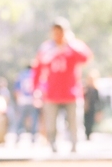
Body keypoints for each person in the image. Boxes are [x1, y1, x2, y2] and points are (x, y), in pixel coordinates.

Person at [32, 17, 92, 153]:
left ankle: (75, 147)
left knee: (74, 122)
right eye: (56, 31)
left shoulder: (73, 46)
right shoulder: (46, 47)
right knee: (51, 124)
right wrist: (36, 89)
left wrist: (69, 44)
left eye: (61, 31)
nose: (58, 34)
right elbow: (38, 68)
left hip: (71, 93)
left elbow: (86, 57)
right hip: (52, 93)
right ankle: (53, 147)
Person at [12, 64, 39, 144]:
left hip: (22, 100)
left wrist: (18, 99)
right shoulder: (35, 75)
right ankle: (33, 137)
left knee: (20, 120)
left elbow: (16, 89)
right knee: (34, 119)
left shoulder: (21, 75)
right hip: (32, 100)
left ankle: (18, 136)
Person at [83, 71, 101, 140]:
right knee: (85, 121)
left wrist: (99, 111)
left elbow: (98, 101)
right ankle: (86, 133)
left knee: (90, 122)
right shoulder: (86, 88)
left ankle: (89, 134)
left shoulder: (95, 89)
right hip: (85, 108)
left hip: (92, 108)